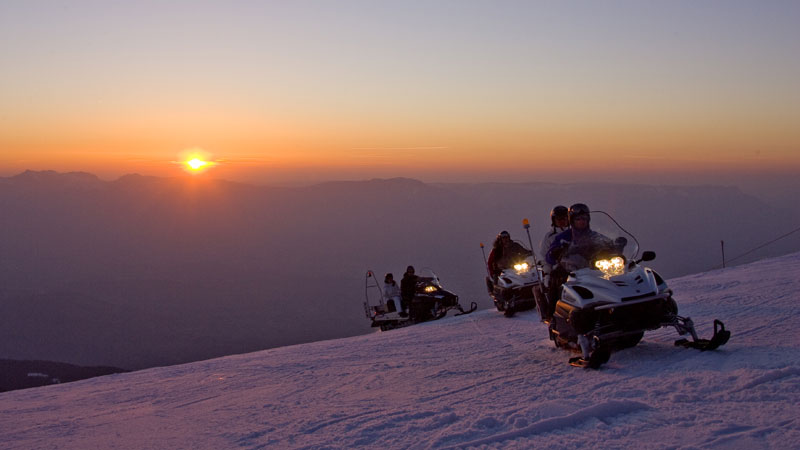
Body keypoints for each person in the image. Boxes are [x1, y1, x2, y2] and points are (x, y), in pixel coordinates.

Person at [539, 205, 569, 286]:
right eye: (559, 219)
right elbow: (544, 257)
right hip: (559, 270)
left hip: (578, 268)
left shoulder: (576, 233)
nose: (562, 221)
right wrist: (547, 274)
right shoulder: (549, 237)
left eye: (564, 218)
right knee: (555, 287)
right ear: (554, 220)